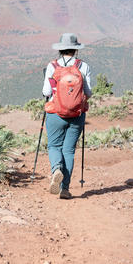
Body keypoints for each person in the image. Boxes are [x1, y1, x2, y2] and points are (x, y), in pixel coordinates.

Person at [42, 33, 92, 199]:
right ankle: (65, 189)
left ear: (60, 49)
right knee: (69, 150)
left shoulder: (52, 66)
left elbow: (46, 92)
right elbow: (88, 92)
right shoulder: (83, 66)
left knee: (54, 146)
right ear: (75, 49)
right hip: (77, 115)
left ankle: (56, 168)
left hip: (55, 113)